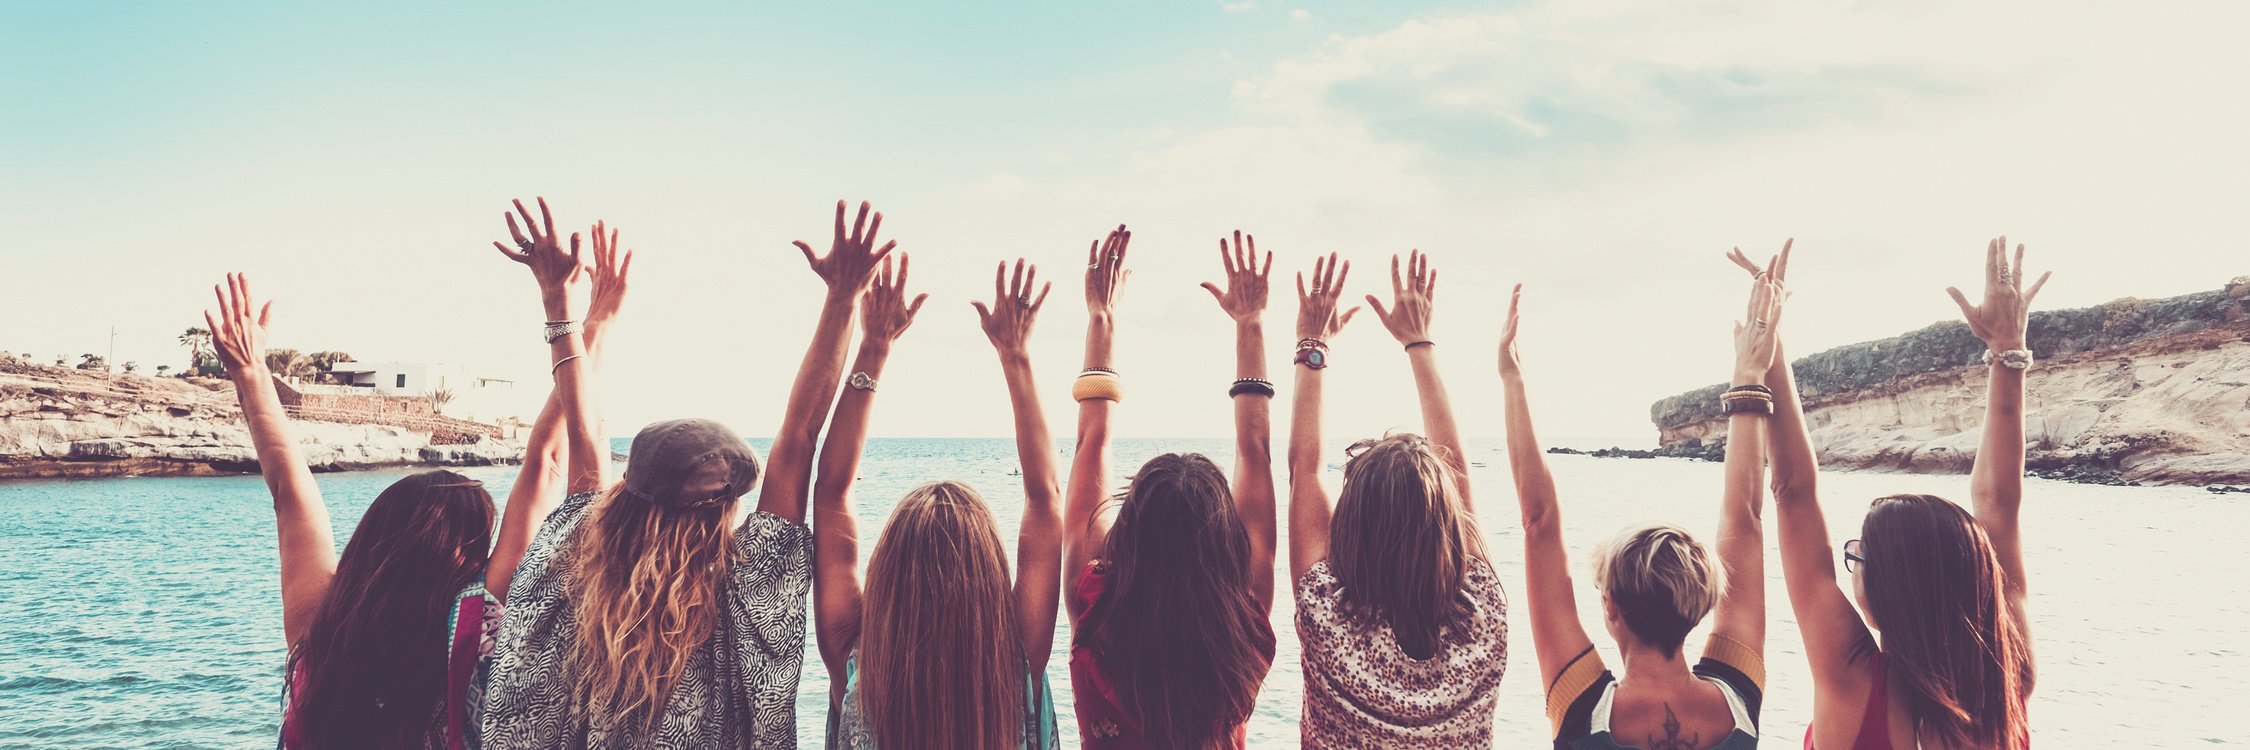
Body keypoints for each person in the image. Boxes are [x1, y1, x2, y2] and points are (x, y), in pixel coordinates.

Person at [212, 197, 627, 750]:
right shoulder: (477, 622)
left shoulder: (320, 626)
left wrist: (249, 372)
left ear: (376, 537)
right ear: (466, 550)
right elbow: (549, 460)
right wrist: (586, 319)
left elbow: (289, 492)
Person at [481, 199, 892, 748]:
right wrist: (843, 301)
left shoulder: (577, 562)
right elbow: (799, 437)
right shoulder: (748, 586)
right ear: (727, 507)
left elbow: (580, 431)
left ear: (629, 492)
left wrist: (560, 301)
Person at [1502, 244, 1786, 750]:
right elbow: (1745, 519)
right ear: (1701, 606)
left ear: (1611, 606)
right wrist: (1749, 374)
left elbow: (1539, 523)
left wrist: (1512, 381)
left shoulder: (1583, 711)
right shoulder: (1737, 703)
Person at [1769, 238, 2042, 750]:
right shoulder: (2008, 676)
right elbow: (1999, 504)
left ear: (1885, 588)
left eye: (1859, 555)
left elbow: (1792, 493)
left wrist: (1767, 344)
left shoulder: (1853, 682)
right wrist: (2008, 351)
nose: (1852, 562)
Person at [809, 255, 1064, 749]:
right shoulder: (1018, 662)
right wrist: (1015, 355)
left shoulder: (854, 666)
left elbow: (831, 491)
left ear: (889, 573)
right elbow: (1046, 500)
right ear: (987, 576)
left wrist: (874, 347)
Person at [1063, 228, 1280, 749]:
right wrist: (1250, 324)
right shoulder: (1246, 621)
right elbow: (1256, 453)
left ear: (1128, 532)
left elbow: (1092, 440)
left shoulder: (1095, 608)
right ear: (1226, 543)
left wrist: (1101, 317)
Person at [1287, 250, 1508, 748]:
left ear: (1351, 524)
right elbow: (1459, 476)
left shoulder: (1327, 618)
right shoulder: (1483, 619)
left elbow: (1304, 470)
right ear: (1450, 524)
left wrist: (1312, 345)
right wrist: (1418, 342)